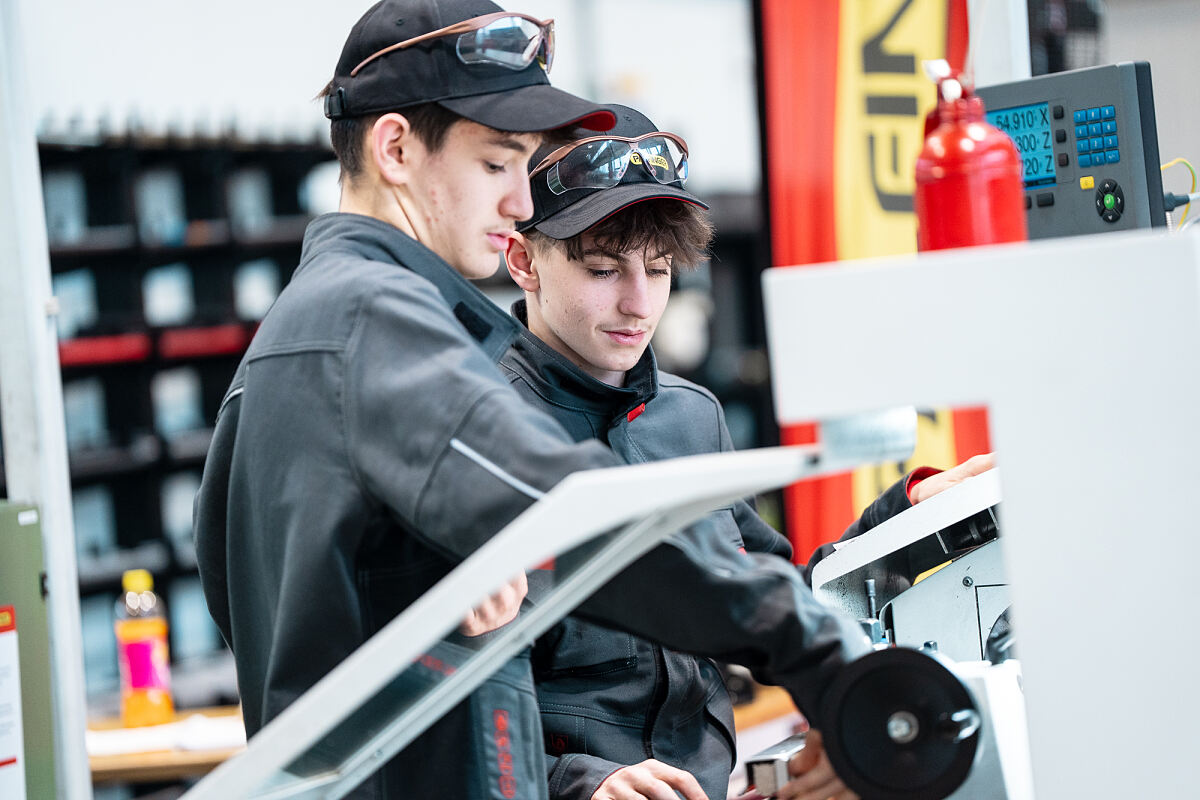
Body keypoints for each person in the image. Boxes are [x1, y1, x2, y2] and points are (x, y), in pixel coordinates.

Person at [193, 1, 985, 797]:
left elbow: (231, 582)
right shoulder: (372, 323)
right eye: (498, 164)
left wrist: (911, 528)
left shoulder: (306, 334)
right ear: (395, 148)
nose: (517, 204)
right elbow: (578, 521)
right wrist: (820, 657)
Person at [502, 107, 991, 800]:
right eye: (604, 269)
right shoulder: (484, 432)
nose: (639, 304)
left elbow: (770, 599)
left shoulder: (687, 418)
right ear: (524, 261)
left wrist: (909, 522)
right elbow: (447, 694)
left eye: (661, 269)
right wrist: (580, 783)